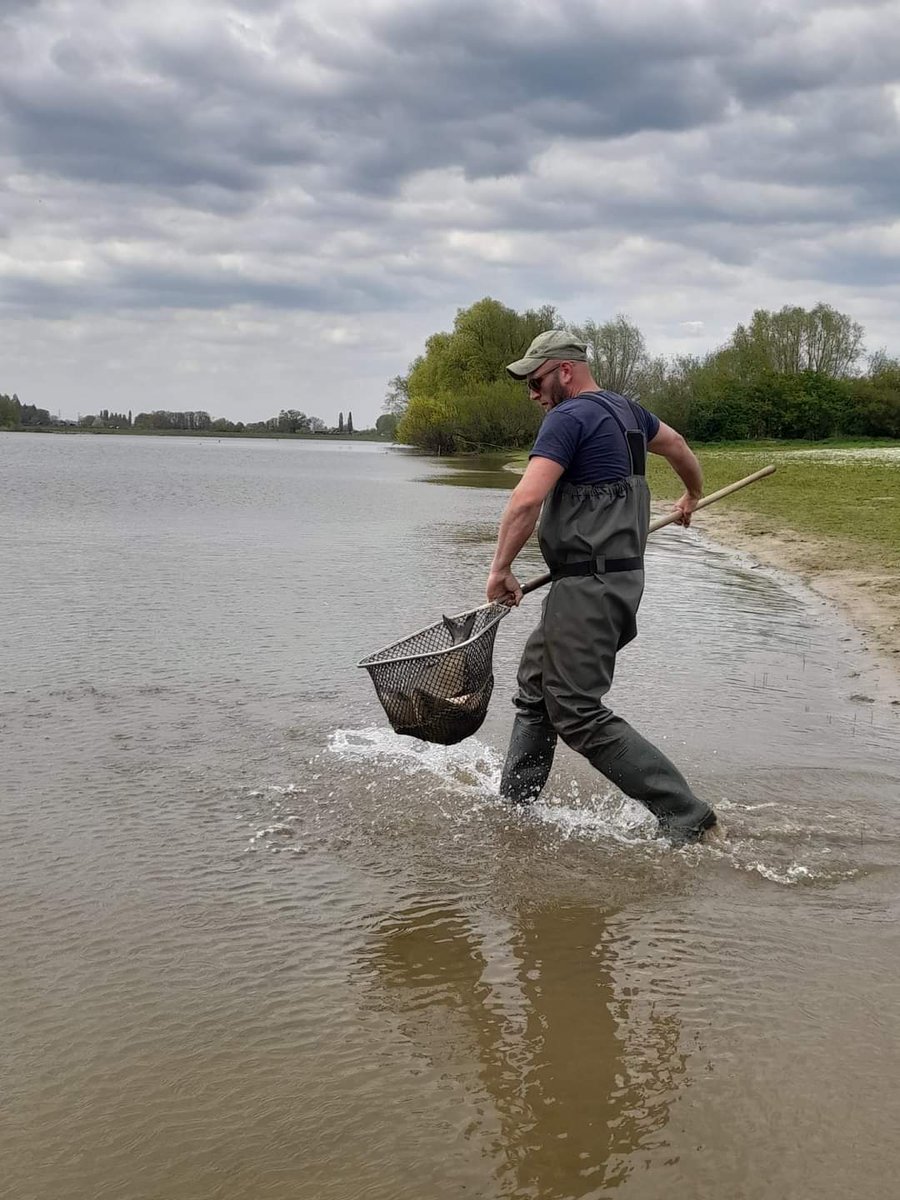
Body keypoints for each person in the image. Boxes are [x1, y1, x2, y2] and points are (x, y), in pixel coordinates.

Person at [486, 330, 717, 844]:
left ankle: (687, 816)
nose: (533, 394)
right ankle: (514, 810)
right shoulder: (628, 412)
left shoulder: (566, 419)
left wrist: (499, 569)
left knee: (574, 709)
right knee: (535, 688)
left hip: (590, 586)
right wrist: (691, 494)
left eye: (537, 380)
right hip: (605, 579)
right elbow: (677, 445)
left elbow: (526, 502)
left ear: (564, 370)